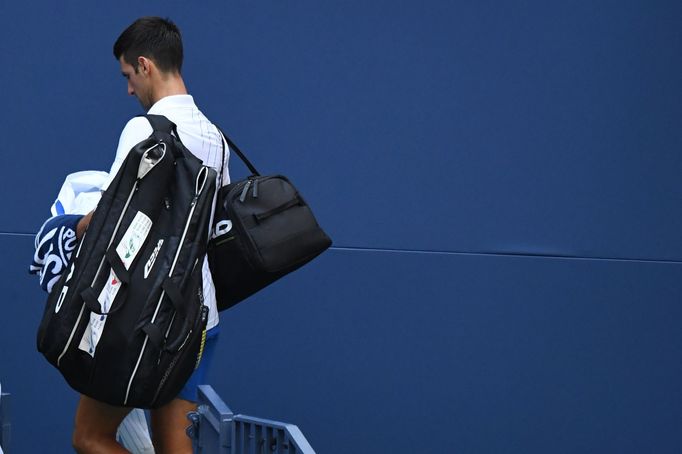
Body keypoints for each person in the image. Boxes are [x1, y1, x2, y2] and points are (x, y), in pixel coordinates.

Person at [71, 17, 228, 454]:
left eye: (127, 76)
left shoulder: (143, 130)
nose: (128, 90)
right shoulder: (216, 139)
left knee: (90, 436)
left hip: (142, 320)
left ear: (144, 66)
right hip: (199, 319)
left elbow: (107, 225)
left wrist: (72, 224)